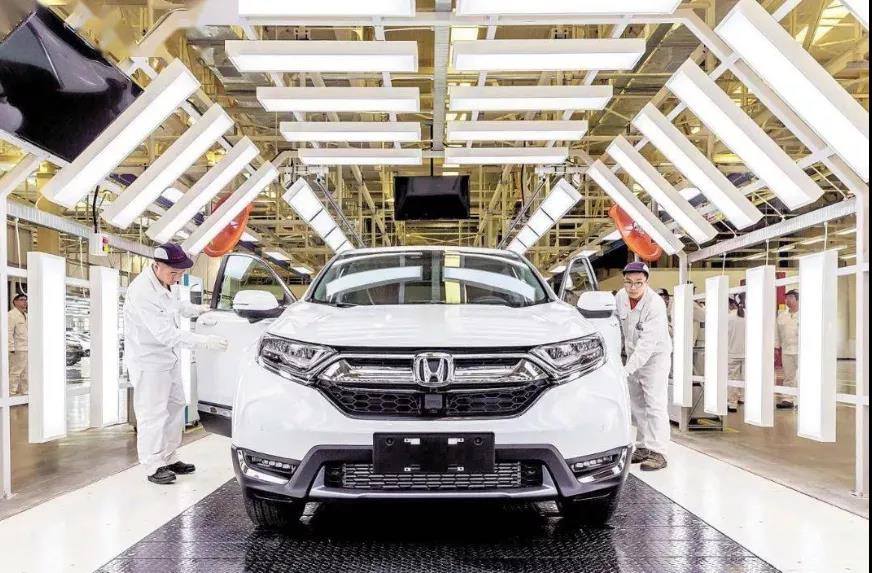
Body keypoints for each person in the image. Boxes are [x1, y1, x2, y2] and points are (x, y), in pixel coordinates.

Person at [123, 244, 229, 485]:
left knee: (176, 405)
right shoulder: (142, 291)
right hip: (149, 361)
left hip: (168, 358)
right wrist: (204, 341)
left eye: (181, 273)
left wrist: (198, 309)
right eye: (174, 273)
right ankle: (153, 464)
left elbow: (175, 306)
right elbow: (166, 334)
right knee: (153, 413)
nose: (177, 278)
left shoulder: (165, 282)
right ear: (157, 265)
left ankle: (169, 457)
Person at [616, 262, 672, 471]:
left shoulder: (655, 304)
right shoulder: (620, 297)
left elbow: (647, 344)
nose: (633, 287)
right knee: (637, 404)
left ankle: (659, 452)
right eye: (628, 282)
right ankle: (642, 447)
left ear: (646, 282)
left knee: (655, 403)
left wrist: (625, 371)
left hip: (655, 357)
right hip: (633, 355)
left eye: (638, 283)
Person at [774, 289, 799, 410]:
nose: (787, 300)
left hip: (802, 350)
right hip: (787, 350)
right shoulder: (782, 315)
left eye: (790, 298)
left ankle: (803, 400)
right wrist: (776, 346)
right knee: (788, 376)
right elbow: (777, 332)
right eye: (786, 298)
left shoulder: (806, 313)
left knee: (803, 376)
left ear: (797, 299)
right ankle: (787, 399)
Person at [727, 297, 746, 413]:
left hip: (732, 352)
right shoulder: (750, 315)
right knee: (746, 377)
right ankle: (743, 398)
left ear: (731, 304)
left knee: (732, 378)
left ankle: (732, 403)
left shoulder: (728, 317)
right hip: (747, 352)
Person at [8, 293, 28, 395]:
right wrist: (11, 347)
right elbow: (9, 332)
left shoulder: (26, 315)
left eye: (25, 300)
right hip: (17, 349)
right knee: (15, 372)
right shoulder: (11, 315)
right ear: (15, 302)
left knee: (25, 373)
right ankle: (11, 393)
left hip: (26, 348)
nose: (25, 302)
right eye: (22, 300)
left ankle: (25, 393)